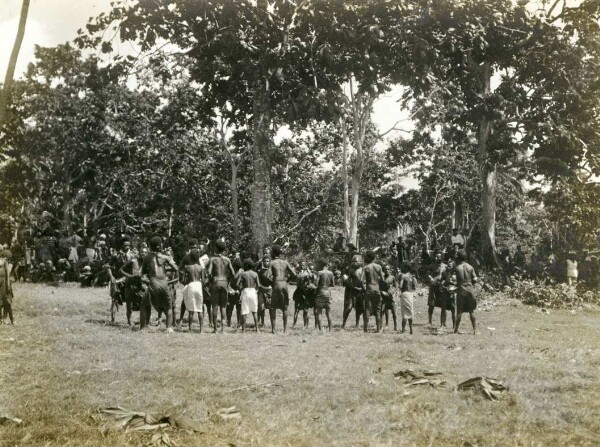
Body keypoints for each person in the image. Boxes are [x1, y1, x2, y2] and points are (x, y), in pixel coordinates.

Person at [140, 236, 179, 333]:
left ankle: (143, 327)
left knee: (144, 304)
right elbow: (176, 268)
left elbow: (143, 272)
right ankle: (169, 328)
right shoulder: (165, 257)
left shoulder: (147, 257)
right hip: (164, 282)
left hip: (154, 282)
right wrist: (166, 269)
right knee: (169, 306)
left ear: (150, 246)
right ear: (160, 245)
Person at [206, 240, 236, 333]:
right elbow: (233, 273)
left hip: (216, 282)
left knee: (214, 306)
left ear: (216, 248)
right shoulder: (227, 259)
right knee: (223, 306)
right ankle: (223, 329)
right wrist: (228, 281)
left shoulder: (212, 259)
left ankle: (215, 329)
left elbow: (209, 272)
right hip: (224, 282)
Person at [268, 245, 296, 334]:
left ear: (273, 253)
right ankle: (285, 330)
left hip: (276, 283)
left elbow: (267, 276)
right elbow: (294, 275)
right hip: (284, 283)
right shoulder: (286, 263)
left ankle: (273, 329)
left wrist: (272, 283)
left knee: (273, 307)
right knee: (285, 308)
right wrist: (287, 281)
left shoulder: (272, 263)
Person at [119, 245, 147, 326]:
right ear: (139, 253)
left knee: (143, 304)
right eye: (142, 252)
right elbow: (121, 270)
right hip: (130, 285)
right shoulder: (133, 261)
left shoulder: (147, 264)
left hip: (141, 286)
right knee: (129, 305)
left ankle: (143, 321)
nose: (143, 254)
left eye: (145, 253)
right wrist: (130, 276)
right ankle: (129, 320)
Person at [454, 249, 478, 335]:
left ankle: (456, 330)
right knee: (471, 311)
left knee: (459, 311)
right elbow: (475, 279)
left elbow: (456, 281)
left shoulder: (457, 268)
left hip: (461, 290)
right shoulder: (470, 267)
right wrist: (471, 283)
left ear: (458, 257)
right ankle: (474, 330)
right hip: (470, 290)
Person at [181, 250, 205, 333]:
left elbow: (183, 279)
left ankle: (190, 329)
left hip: (191, 285)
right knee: (200, 309)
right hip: (198, 285)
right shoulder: (200, 267)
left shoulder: (187, 267)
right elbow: (204, 280)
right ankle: (201, 330)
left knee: (191, 310)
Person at [237, 258, 262, 332]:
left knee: (244, 311)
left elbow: (236, 284)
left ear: (246, 265)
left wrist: (241, 289)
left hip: (246, 291)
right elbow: (259, 285)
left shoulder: (243, 274)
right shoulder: (255, 274)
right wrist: (256, 290)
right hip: (253, 291)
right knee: (255, 311)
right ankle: (257, 329)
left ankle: (243, 330)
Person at [360, 250, 383, 333]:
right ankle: (378, 329)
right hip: (377, 289)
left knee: (367, 309)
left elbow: (361, 280)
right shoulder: (379, 267)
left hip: (369, 289)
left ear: (369, 257)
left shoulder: (365, 267)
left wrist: (363, 289)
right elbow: (383, 280)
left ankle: (365, 329)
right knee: (378, 309)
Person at [341, 254, 364, 329]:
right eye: (353, 261)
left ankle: (357, 325)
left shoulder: (363, 270)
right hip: (353, 291)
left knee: (358, 309)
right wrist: (352, 287)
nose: (355, 263)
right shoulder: (351, 271)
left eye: (356, 261)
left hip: (361, 291)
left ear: (360, 262)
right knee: (349, 307)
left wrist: (362, 288)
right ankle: (343, 323)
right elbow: (348, 281)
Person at [292, 261, 316, 328]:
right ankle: (294, 324)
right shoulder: (297, 272)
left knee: (306, 310)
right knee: (296, 309)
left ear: (305, 265)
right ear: (299, 265)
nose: (302, 266)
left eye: (303, 265)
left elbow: (312, 280)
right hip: (298, 292)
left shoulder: (308, 273)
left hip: (305, 292)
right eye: (301, 265)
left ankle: (306, 325)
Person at [314, 258, 334, 332]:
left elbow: (316, 283)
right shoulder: (331, 273)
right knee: (328, 312)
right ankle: (330, 330)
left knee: (319, 311)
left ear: (320, 264)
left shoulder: (319, 273)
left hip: (320, 292)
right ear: (327, 265)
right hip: (328, 292)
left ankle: (320, 329)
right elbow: (333, 284)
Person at [427, 252, 446, 326]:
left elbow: (447, 275)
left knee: (444, 304)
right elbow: (428, 274)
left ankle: (444, 322)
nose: (436, 258)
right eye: (435, 257)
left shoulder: (445, 266)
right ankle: (430, 321)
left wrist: (444, 281)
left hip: (441, 287)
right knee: (431, 304)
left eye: (438, 257)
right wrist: (431, 278)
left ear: (442, 257)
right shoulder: (432, 266)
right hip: (433, 286)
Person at [397, 261, 416, 334]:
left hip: (405, 293)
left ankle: (403, 330)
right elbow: (414, 286)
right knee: (410, 311)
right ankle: (411, 329)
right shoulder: (411, 276)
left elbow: (401, 286)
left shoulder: (403, 276)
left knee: (404, 312)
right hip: (411, 294)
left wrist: (397, 284)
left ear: (405, 267)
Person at [256, 246, 272, 328]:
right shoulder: (260, 267)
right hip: (261, 288)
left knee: (270, 306)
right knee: (261, 306)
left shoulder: (272, 267)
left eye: (267, 251)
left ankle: (272, 323)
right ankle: (260, 322)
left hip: (269, 289)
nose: (266, 262)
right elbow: (256, 272)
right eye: (265, 252)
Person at [379, 264, 398, 331]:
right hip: (384, 298)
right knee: (381, 312)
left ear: (390, 270)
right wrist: (382, 292)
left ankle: (395, 327)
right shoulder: (381, 278)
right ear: (383, 270)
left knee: (394, 313)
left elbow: (396, 286)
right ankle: (380, 327)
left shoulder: (392, 277)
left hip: (391, 298)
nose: (387, 270)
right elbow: (379, 287)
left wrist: (393, 292)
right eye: (385, 269)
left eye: (388, 269)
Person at [0, 250, 14, 324]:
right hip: (3, 284)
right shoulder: (3, 262)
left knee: (7, 301)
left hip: (5, 284)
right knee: (2, 302)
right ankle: (2, 319)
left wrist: (8, 285)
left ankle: (10, 319)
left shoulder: (5, 262)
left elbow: (7, 275)